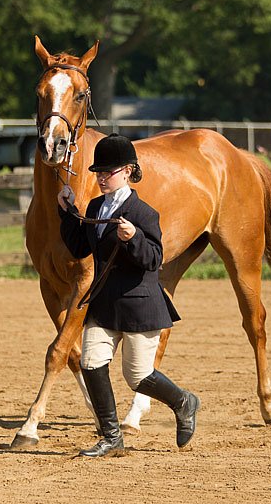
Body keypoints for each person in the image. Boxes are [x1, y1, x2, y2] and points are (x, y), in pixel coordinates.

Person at [57, 133, 200, 457]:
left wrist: (135, 237)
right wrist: (66, 213)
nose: (101, 177)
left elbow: (153, 259)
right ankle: (111, 437)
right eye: (98, 172)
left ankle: (183, 401)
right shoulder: (95, 206)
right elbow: (80, 246)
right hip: (104, 303)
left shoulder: (144, 213)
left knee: (137, 377)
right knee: (91, 362)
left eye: (108, 172)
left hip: (139, 305)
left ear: (127, 171)